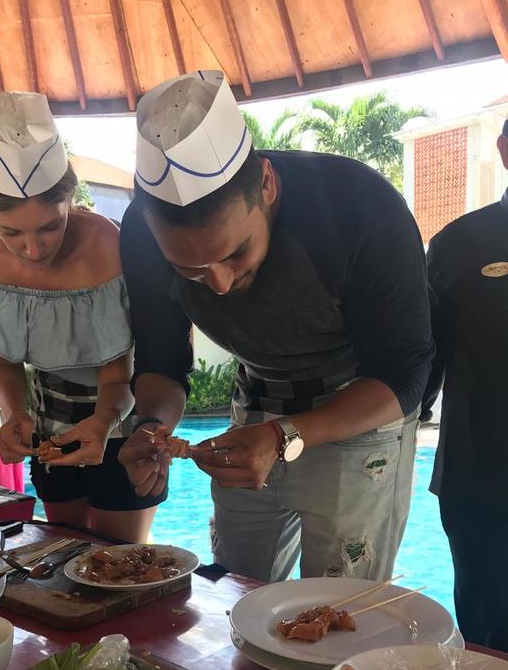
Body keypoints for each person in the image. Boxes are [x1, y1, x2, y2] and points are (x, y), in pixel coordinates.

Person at [118, 70, 434, 582]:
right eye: (189, 270)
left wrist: (285, 434)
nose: (219, 284)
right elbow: (162, 360)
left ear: (267, 184)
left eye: (235, 253)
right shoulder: (140, 233)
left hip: (359, 408)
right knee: (235, 591)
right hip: (256, 402)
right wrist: (152, 428)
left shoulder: (359, 207)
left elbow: (404, 376)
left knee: (336, 606)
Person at [0, 92, 163, 541]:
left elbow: (118, 375)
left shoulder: (104, 245)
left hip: (122, 416)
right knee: (62, 550)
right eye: (10, 232)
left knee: (120, 557)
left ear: (70, 198)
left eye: (51, 226)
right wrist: (14, 412)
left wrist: (105, 421)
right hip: (49, 418)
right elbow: (2, 361)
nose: (33, 250)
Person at [421, 118, 508, 649]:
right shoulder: (457, 245)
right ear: (505, 149)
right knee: (486, 641)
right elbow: (422, 363)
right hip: (478, 482)